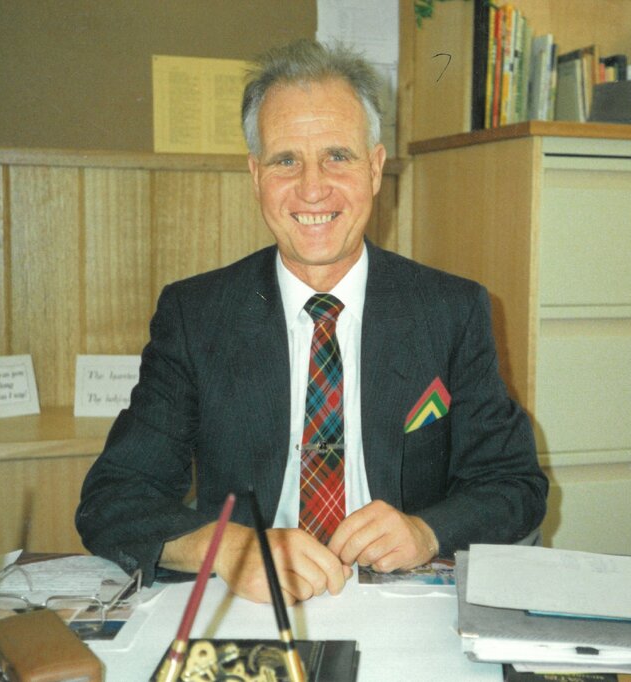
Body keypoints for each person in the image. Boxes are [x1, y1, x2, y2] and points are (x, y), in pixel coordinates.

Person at [76, 39, 547, 605]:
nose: (312, 187)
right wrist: (229, 548)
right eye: (286, 161)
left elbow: (515, 485)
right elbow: (113, 497)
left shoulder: (451, 310)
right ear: (256, 175)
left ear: (375, 168)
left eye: (337, 156)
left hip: (403, 602)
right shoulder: (196, 316)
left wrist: (427, 531)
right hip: (253, 606)